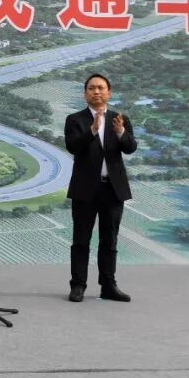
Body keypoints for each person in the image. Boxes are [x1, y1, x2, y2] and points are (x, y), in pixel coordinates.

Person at [64, 73, 137, 303]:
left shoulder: (119, 119)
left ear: (109, 92)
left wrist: (121, 132)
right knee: (81, 240)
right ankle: (78, 285)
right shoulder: (75, 120)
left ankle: (108, 285)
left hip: (112, 190)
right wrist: (92, 130)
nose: (96, 92)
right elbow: (72, 146)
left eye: (101, 88)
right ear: (85, 93)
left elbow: (131, 148)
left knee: (109, 241)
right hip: (85, 190)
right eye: (92, 88)